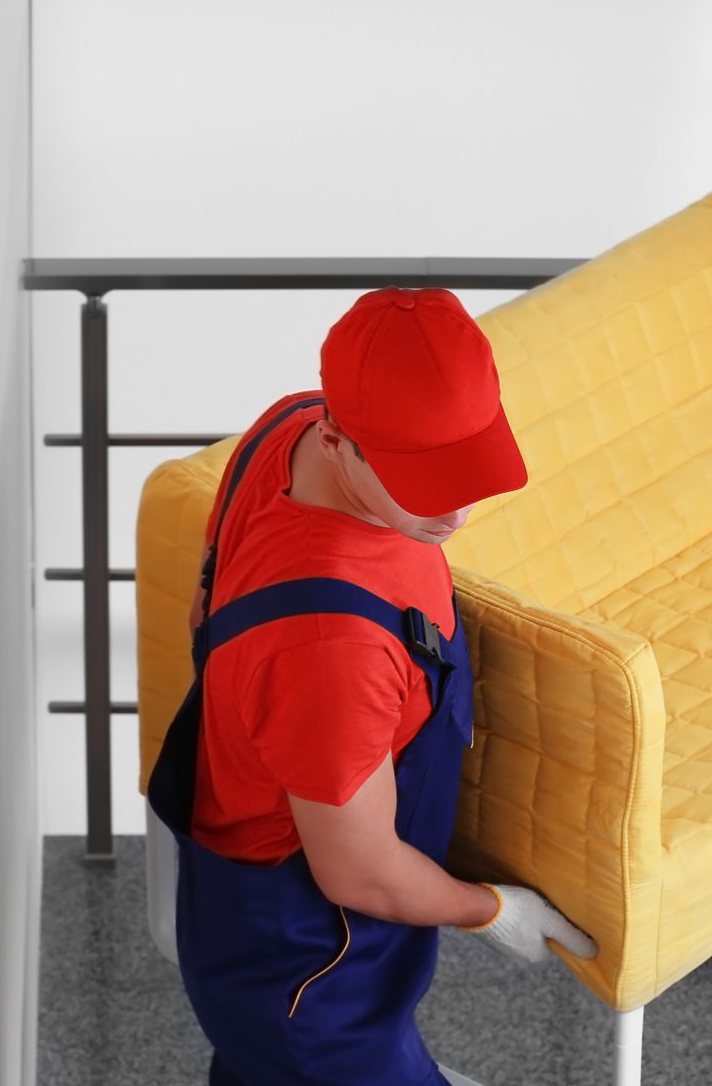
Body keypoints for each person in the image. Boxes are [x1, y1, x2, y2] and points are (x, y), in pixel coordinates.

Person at [148, 287, 596, 1085]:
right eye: (423, 481)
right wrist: (492, 910)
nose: (455, 512)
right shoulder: (331, 646)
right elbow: (360, 873)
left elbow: (201, 615)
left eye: (467, 466)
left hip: (260, 917)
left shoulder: (288, 425)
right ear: (338, 438)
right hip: (309, 966)